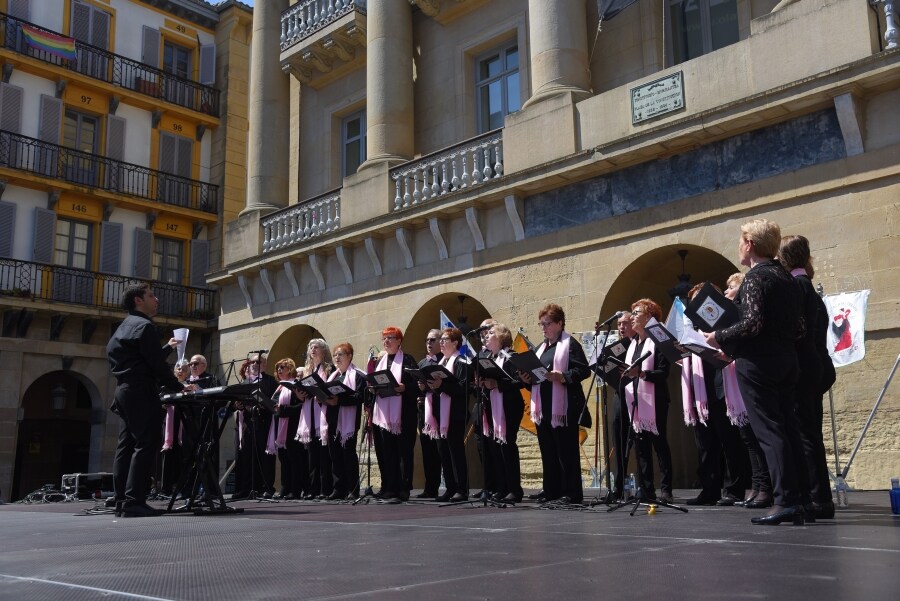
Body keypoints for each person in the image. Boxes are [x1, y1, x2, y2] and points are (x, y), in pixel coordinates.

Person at [703, 218, 806, 525]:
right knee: (788, 429)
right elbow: (799, 327)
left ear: (749, 244)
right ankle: (797, 500)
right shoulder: (786, 277)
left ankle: (784, 500)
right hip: (787, 359)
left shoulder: (755, 278)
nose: (738, 247)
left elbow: (752, 323)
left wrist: (718, 336)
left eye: (740, 241)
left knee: (769, 431)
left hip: (759, 363)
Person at [107, 283, 184, 517]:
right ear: (138, 301)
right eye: (151, 295)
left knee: (126, 445)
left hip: (124, 391)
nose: (156, 299)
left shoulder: (123, 328)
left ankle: (121, 499)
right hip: (141, 392)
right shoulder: (145, 326)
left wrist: (167, 348)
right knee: (146, 443)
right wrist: (179, 387)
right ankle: (134, 501)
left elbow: (142, 358)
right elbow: (156, 367)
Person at [779, 234, 836, 519]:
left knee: (806, 435)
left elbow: (799, 332)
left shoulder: (798, 288)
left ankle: (818, 498)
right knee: (810, 433)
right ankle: (820, 496)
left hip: (804, 368)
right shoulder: (807, 287)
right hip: (816, 366)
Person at [681, 283, 748, 506]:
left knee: (728, 437)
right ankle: (709, 489)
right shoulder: (691, 327)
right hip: (701, 383)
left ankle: (734, 488)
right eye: (692, 302)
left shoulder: (727, 318)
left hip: (723, 379)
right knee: (704, 439)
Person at [519, 303, 590, 504]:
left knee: (566, 451)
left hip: (564, 408)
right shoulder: (542, 348)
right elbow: (538, 378)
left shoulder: (570, 344)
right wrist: (527, 379)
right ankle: (551, 490)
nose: (543, 327)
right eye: (541, 324)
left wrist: (563, 376)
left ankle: (572, 493)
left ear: (559, 323)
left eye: (547, 323)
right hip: (544, 407)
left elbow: (584, 370)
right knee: (548, 450)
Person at [723, 273, 773, 509]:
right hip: (733, 377)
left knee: (756, 436)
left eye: (730, 287)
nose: (725, 292)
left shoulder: (745, 313)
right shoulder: (730, 316)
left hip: (747, 373)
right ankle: (756, 484)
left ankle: (765, 486)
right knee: (747, 438)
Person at [621, 298, 674, 504]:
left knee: (659, 444)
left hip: (655, 400)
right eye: (632, 312)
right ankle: (646, 488)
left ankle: (666, 489)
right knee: (640, 446)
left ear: (649, 316)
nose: (632, 316)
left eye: (637, 312)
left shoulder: (657, 340)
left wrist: (641, 374)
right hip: (635, 400)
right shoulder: (634, 344)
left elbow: (663, 372)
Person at [370, 326, 419, 503]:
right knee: (386, 452)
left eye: (391, 337)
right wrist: (373, 389)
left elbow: (418, 386)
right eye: (384, 338)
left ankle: (403, 489)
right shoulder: (379, 363)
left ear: (399, 341)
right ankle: (388, 487)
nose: (386, 341)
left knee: (403, 452)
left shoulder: (407, 360)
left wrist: (405, 388)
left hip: (403, 415)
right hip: (383, 416)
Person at [422, 328, 471, 502]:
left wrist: (441, 385)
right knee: (443, 452)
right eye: (440, 340)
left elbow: (464, 389)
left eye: (445, 340)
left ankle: (461, 489)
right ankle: (450, 488)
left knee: (455, 451)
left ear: (456, 343)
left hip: (455, 414)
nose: (441, 343)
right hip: (440, 415)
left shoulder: (462, 362)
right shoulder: (441, 363)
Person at [479, 323, 524, 503]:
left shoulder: (511, 357)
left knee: (507, 446)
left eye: (491, 333)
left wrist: (497, 384)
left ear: (501, 337)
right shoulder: (488, 357)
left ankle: (514, 489)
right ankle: (501, 487)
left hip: (509, 405)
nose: (486, 336)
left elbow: (519, 382)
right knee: (495, 447)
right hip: (491, 404)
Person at [323, 343, 366, 499]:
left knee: (348, 455)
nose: (337, 358)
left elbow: (360, 397)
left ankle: (352, 490)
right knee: (334, 455)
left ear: (349, 356)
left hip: (348, 423)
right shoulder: (333, 376)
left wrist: (339, 401)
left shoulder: (357, 375)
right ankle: (338, 489)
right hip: (333, 420)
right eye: (335, 355)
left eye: (340, 354)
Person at [233, 353, 278, 499]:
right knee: (247, 456)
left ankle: (266, 488)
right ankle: (247, 488)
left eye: (258, 362)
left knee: (265, 457)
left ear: (264, 365)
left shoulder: (271, 381)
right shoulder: (245, 382)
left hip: (264, 423)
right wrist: (238, 405)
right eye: (252, 362)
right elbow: (234, 402)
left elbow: (274, 402)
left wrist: (262, 406)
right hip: (247, 424)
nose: (254, 364)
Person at [295, 339, 333, 499]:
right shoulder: (308, 370)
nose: (313, 349)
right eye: (310, 347)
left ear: (323, 351)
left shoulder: (328, 369)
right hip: (309, 412)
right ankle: (313, 489)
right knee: (312, 455)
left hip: (323, 413)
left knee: (324, 455)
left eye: (316, 347)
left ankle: (325, 489)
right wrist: (299, 394)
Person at [268, 358, 304, 500]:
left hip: (292, 426)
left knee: (294, 459)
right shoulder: (279, 387)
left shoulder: (295, 385)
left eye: (283, 367)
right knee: (283, 458)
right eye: (278, 368)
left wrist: (282, 409)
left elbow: (301, 407)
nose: (279, 370)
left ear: (290, 368)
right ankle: (284, 487)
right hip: (280, 427)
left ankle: (295, 490)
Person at [608, 311, 635, 501]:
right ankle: (618, 488)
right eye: (618, 324)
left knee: (641, 442)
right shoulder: (618, 347)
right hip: (620, 394)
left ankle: (655, 488)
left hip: (640, 396)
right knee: (618, 441)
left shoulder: (641, 343)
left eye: (625, 323)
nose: (621, 327)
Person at [470, 318, 498, 499]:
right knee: (482, 447)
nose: (483, 332)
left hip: (497, 404)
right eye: (481, 329)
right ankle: (488, 486)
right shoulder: (479, 355)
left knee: (497, 447)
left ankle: (501, 486)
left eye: (487, 328)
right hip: (481, 404)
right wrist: (477, 383)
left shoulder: (501, 353)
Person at [415, 329, 443, 498]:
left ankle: (451, 487)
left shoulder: (445, 361)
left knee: (442, 450)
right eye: (427, 340)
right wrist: (420, 393)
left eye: (433, 339)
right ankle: (430, 488)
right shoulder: (422, 363)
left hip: (442, 410)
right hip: (425, 411)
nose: (429, 343)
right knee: (428, 450)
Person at [159, 361, 190, 496]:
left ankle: (180, 487)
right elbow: (159, 400)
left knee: (181, 457)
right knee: (166, 457)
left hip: (183, 426)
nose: (180, 371)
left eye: (183, 369)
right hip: (167, 425)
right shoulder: (167, 386)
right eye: (178, 368)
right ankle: (164, 488)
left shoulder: (188, 386)